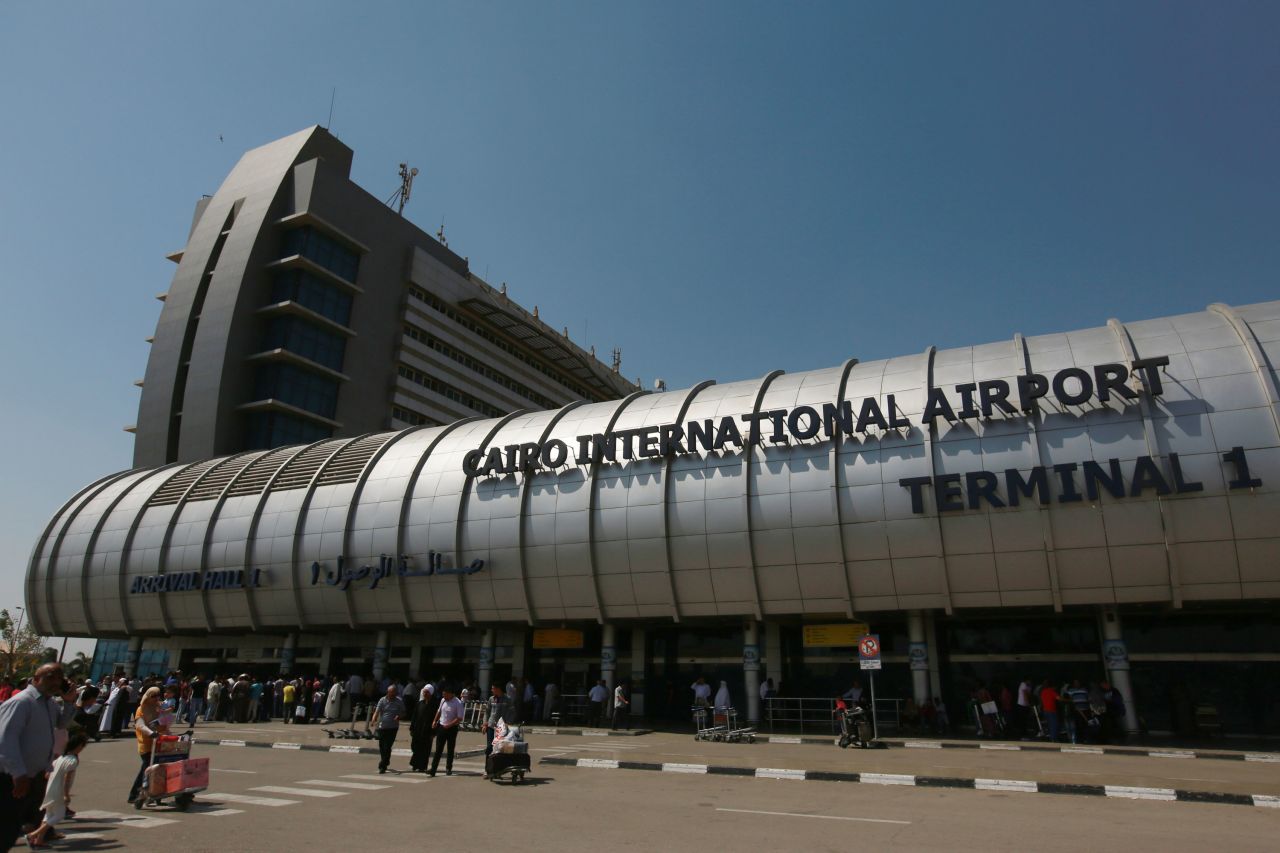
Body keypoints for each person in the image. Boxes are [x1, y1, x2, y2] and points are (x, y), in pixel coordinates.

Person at [0, 663, 77, 851]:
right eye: (50, 677)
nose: (56, 682)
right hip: (11, 778)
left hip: (33, 776)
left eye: (59, 678)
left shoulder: (49, 703)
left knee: (12, 828)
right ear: (35, 679)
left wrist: (68, 702)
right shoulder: (21, 702)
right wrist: (18, 774)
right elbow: (5, 740)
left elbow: (62, 724)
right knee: (5, 829)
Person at [25, 732, 88, 850]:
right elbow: (66, 779)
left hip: (49, 790)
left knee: (48, 816)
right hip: (58, 792)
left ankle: (39, 841)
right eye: (82, 746)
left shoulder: (60, 758)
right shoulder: (72, 761)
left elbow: (47, 775)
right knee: (58, 815)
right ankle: (32, 835)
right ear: (79, 746)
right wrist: (66, 794)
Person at [127, 687, 166, 803]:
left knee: (158, 770)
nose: (156, 698)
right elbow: (140, 725)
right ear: (148, 697)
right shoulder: (141, 709)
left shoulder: (157, 707)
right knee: (146, 770)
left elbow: (164, 720)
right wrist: (151, 733)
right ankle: (134, 795)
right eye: (153, 696)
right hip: (146, 744)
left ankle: (156, 794)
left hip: (158, 742)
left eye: (158, 696)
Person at [429, 686, 464, 777]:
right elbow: (439, 711)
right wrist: (435, 720)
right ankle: (433, 769)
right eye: (443, 694)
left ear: (451, 693)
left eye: (445, 694)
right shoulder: (443, 700)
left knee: (450, 749)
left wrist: (450, 725)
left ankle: (448, 768)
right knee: (438, 749)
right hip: (441, 726)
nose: (444, 696)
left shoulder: (458, 703)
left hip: (452, 728)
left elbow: (459, 718)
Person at [370, 686, 406, 774]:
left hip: (393, 728)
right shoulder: (382, 700)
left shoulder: (399, 701)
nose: (393, 695)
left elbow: (404, 712)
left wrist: (399, 716)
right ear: (388, 692)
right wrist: (373, 720)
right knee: (382, 746)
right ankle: (385, 760)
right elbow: (377, 711)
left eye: (394, 693)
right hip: (382, 727)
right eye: (391, 693)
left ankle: (383, 765)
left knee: (387, 746)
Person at [482, 683, 515, 769]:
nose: (492, 690)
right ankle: (487, 769)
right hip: (491, 726)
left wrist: (508, 722)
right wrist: (485, 724)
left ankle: (498, 768)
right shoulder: (491, 699)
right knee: (490, 747)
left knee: (499, 748)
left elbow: (512, 712)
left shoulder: (508, 699)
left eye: (493, 688)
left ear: (498, 689)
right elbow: (487, 712)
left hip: (502, 728)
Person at [409, 684, 438, 773]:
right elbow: (414, 717)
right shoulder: (419, 704)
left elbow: (436, 719)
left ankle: (422, 766)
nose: (425, 694)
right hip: (417, 729)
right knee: (415, 746)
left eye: (427, 692)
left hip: (428, 731)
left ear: (431, 693)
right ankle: (415, 764)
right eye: (424, 692)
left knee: (425, 749)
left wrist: (433, 733)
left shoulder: (434, 705)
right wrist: (411, 728)